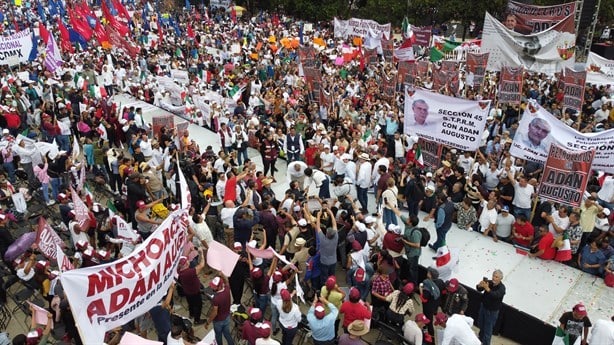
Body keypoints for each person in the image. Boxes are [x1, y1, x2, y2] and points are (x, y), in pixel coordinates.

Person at [476, 269, 506, 345]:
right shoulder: (488, 282)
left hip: (492, 312)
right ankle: (480, 340)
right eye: (493, 276)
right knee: (481, 325)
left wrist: (487, 288)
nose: (494, 278)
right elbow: (479, 289)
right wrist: (480, 285)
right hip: (483, 307)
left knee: (488, 330)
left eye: (496, 277)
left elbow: (496, 295)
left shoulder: (502, 288)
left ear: (500, 278)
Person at [205, 273, 235, 345]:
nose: (212, 288)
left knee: (218, 335)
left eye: (214, 287)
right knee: (227, 333)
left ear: (219, 287)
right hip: (227, 317)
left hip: (218, 321)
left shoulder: (216, 298)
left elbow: (215, 312)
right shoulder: (227, 288)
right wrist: (222, 275)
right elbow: (227, 281)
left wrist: (208, 322)